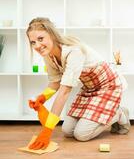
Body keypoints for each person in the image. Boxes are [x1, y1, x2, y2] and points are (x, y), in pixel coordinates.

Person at [26, 17, 130, 150]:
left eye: (41, 39)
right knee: (67, 131)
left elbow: (64, 91)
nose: (37, 46)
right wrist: (42, 98)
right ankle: (105, 115)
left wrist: (47, 130)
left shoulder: (73, 51)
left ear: (52, 35)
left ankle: (118, 113)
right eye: (33, 42)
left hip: (108, 86)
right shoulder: (48, 55)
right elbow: (55, 82)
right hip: (89, 88)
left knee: (82, 134)